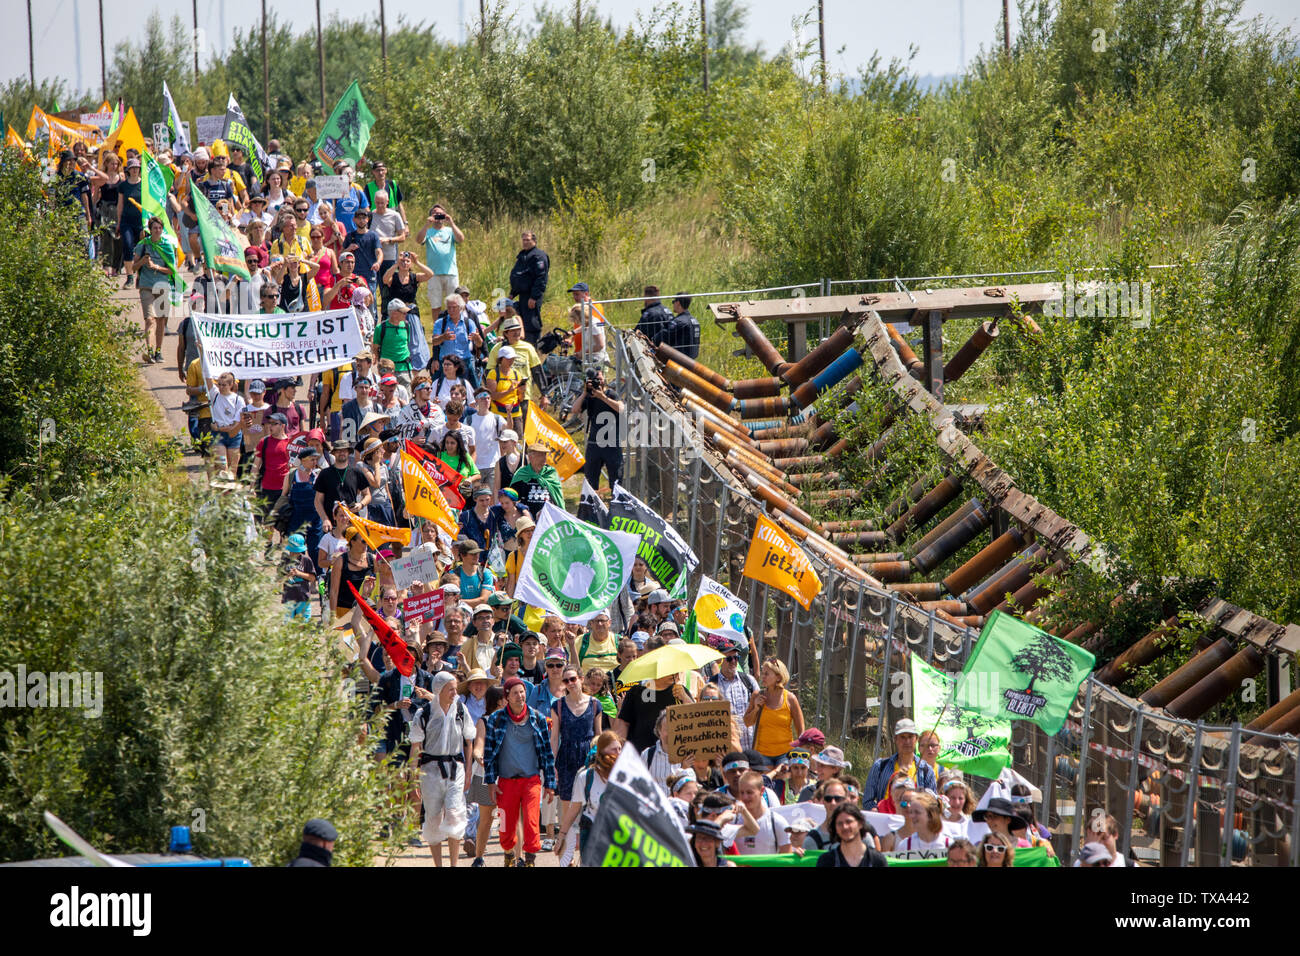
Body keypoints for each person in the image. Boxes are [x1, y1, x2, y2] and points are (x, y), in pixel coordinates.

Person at [481, 676, 557, 867]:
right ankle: (509, 856)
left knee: (532, 823)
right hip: (506, 782)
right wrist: (490, 783)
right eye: (515, 693)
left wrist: (550, 784)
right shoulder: (496, 720)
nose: (520, 696)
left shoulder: (538, 718)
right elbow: (489, 754)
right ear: (506, 697)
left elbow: (547, 753)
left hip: (531, 780)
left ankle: (530, 860)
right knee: (506, 826)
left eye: (522, 691)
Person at [408, 671, 477, 866]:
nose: (455, 693)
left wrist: (469, 770)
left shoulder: (461, 710)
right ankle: (439, 864)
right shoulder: (424, 714)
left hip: (456, 769)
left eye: (456, 689)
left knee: (455, 815)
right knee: (433, 818)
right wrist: (414, 778)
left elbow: (468, 741)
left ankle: (454, 864)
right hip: (430, 771)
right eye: (451, 689)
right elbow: (416, 747)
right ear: (439, 690)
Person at [556, 730, 622, 863]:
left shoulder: (625, 777)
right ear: (602, 752)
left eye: (620, 749)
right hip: (591, 834)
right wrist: (562, 836)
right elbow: (574, 809)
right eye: (614, 750)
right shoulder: (586, 777)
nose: (619, 753)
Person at [465, 684, 506, 866]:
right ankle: (479, 857)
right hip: (485, 775)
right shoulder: (484, 721)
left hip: (508, 775)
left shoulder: (514, 720)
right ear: (499, 702)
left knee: (508, 819)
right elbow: (478, 745)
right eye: (507, 696)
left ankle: (511, 854)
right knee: (486, 819)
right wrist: (478, 755)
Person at [132, 216, 180, 364]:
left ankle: (158, 351)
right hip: (146, 286)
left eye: (159, 228)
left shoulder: (166, 245)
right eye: (154, 228)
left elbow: (172, 270)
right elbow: (133, 268)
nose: (157, 231)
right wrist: (142, 261)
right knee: (149, 319)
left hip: (162, 285)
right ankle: (150, 350)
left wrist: (156, 267)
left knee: (160, 320)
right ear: (150, 230)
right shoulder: (142, 245)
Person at [569, 366, 623, 491]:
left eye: (599, 379)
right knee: (590, 479)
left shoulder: (611, 394)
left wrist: (602, 397)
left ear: (604, 379)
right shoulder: (588, 397)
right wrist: (584, 392)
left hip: (612, 444)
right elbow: (575, 410)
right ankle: (591, 505)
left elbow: (620, 408)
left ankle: (616, 504)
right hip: (594, 443)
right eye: (595, 380)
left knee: (616, 481)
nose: (598, 382)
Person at [864, 718, 937, 809]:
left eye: (910, 737)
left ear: (916, 739)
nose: (907, 741)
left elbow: (932, 804)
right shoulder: (880, 766)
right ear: (895, 739)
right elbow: (867, 801)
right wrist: (878, 812)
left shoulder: (926, 770)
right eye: (903, 737)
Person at [745, 658, 804, 762]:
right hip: (762, 753)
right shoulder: (757, 695)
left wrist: (800, 754)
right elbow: (747, 722)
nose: (763, 677)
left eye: (766, 674)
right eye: (762, 673)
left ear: (778, 677)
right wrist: (755, 708)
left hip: (785, 754)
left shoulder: (790, 698)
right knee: (765, 778)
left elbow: (801, 731)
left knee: (782, 777)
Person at [416, 203, 465, 312]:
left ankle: (453, 327)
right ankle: (438, 328)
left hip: (451, 273)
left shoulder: (450, 230)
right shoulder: (428, 232)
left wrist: (451, 223)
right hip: (433, 274)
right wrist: (426, 225)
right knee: (435, 306)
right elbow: (419, 240)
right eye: (435, 214)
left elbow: (461, 239)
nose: (438, 216)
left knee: (454, 304)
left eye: (440, 214)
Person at [729, 770, 791, 855]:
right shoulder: (733, 820)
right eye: (742, 792)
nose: (745, 797)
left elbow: (787, 858)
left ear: (762, 791)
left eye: (749, 792)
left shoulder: (776, 822)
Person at [508, 230, 549, 344]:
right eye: (523, 240)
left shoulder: (538, 256)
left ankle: (533, 348)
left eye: (528, 240)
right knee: (521, 322)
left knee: (531, 323)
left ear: (534, 241)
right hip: (522, 295)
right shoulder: (523, 256)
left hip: (531, 296)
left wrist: (534, 297)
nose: (525, 242)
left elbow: (541, 278)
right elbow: (518, 275)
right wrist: (512, 293)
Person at [816, 804, 889, 868]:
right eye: (840, 823)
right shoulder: (827, 861)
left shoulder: (877, 861)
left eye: (849, 822)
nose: (845, 827)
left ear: (860, 823)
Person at [889, 790, 952, 859]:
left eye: (917, 812)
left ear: (930, 815)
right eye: (911, 812)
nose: (912, 816)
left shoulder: (948, 844)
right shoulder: (905, 845)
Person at [207, 372, 248, 475]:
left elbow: (235, 425)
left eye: (224, 385)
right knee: (222, 465)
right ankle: (220, 488)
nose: (221, 387)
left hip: (233, 436)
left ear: (231, 385)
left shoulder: (239, 400)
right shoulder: (215, 394)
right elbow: (207, 378)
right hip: (218, 437)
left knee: (232, 470)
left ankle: (228, 490)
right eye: (219, 384)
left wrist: (218, 428)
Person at [510, 443, 564, 517]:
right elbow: (512, 499)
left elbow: (557, 497)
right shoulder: (522, 473)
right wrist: (524, 510)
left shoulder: (550, 473)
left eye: (545, 455)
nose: (544, 458)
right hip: (527, 517)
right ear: (530, 457)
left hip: (548, 516)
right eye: (540, 455)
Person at [381, 250, 432, 317]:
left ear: (411, 264)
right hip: (396, 311)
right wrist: (396, 264)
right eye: (402, 261)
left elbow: (430, 274)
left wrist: (417, 262)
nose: (405, 263)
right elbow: (385, 280)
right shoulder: (393, 277)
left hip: (410, 311)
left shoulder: (415, 277)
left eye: (408, 261)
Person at [370, 189, 408, 276]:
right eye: (377, 202)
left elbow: (402, 237)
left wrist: (388, 240)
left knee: (387, 287)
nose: (379, 205)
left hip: (389, 257)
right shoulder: (370, 215)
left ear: (387, 202)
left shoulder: (395, 215)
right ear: (374, 201)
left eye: (382, 203)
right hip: (372, 257)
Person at [343, 207, 381, 292]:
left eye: (364, 218)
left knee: (370, 300)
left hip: (369, 273)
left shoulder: (373, 235)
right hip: (354, 274)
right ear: (354, 220)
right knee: (354, 299)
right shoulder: (350, 236)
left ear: (368, 219)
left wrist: (378, 263)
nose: (361, 220)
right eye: (359, 218)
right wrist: (349, 248)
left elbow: (379, 252)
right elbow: (341, 254)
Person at [654, 293, 701, 360]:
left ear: (678, 303)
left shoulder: (679, 321)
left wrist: (652, 340)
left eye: (673, 302)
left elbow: (663, 337)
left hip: (677, 360)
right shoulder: (695, 321)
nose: (673, 304)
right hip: (691, 361)